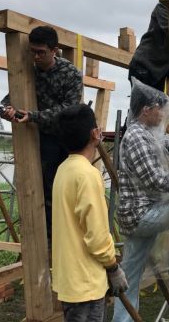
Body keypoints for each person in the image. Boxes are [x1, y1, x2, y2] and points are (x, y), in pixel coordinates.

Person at [0, 25, 83, 246]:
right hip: (41, 138)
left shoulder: (70, 74)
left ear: (54, 50)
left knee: (66, 190)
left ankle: (68, 239)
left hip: (66, 139)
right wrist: (7, 110)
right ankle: (47, 240)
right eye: (32, 52)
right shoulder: (29, 71)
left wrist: (34, 116)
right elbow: (12, 96)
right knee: (42, 190)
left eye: (41, 52)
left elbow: (68, 110)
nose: (36, 57)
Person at [112, 79, 169, 322]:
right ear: (146, 110)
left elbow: (164, 143)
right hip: (142, 215)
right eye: (159, 109)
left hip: (138, 214)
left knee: (129, 276)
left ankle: (122, 320)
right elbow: (155, 180)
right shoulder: (136, 137)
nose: (163, 114)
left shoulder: (144, 134)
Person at [52, 104, 128, 322]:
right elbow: (97, 236)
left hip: (70, 279)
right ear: (95, 134)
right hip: (86, 281)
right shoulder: (88, 174)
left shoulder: (63, 169)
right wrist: (113, 267)